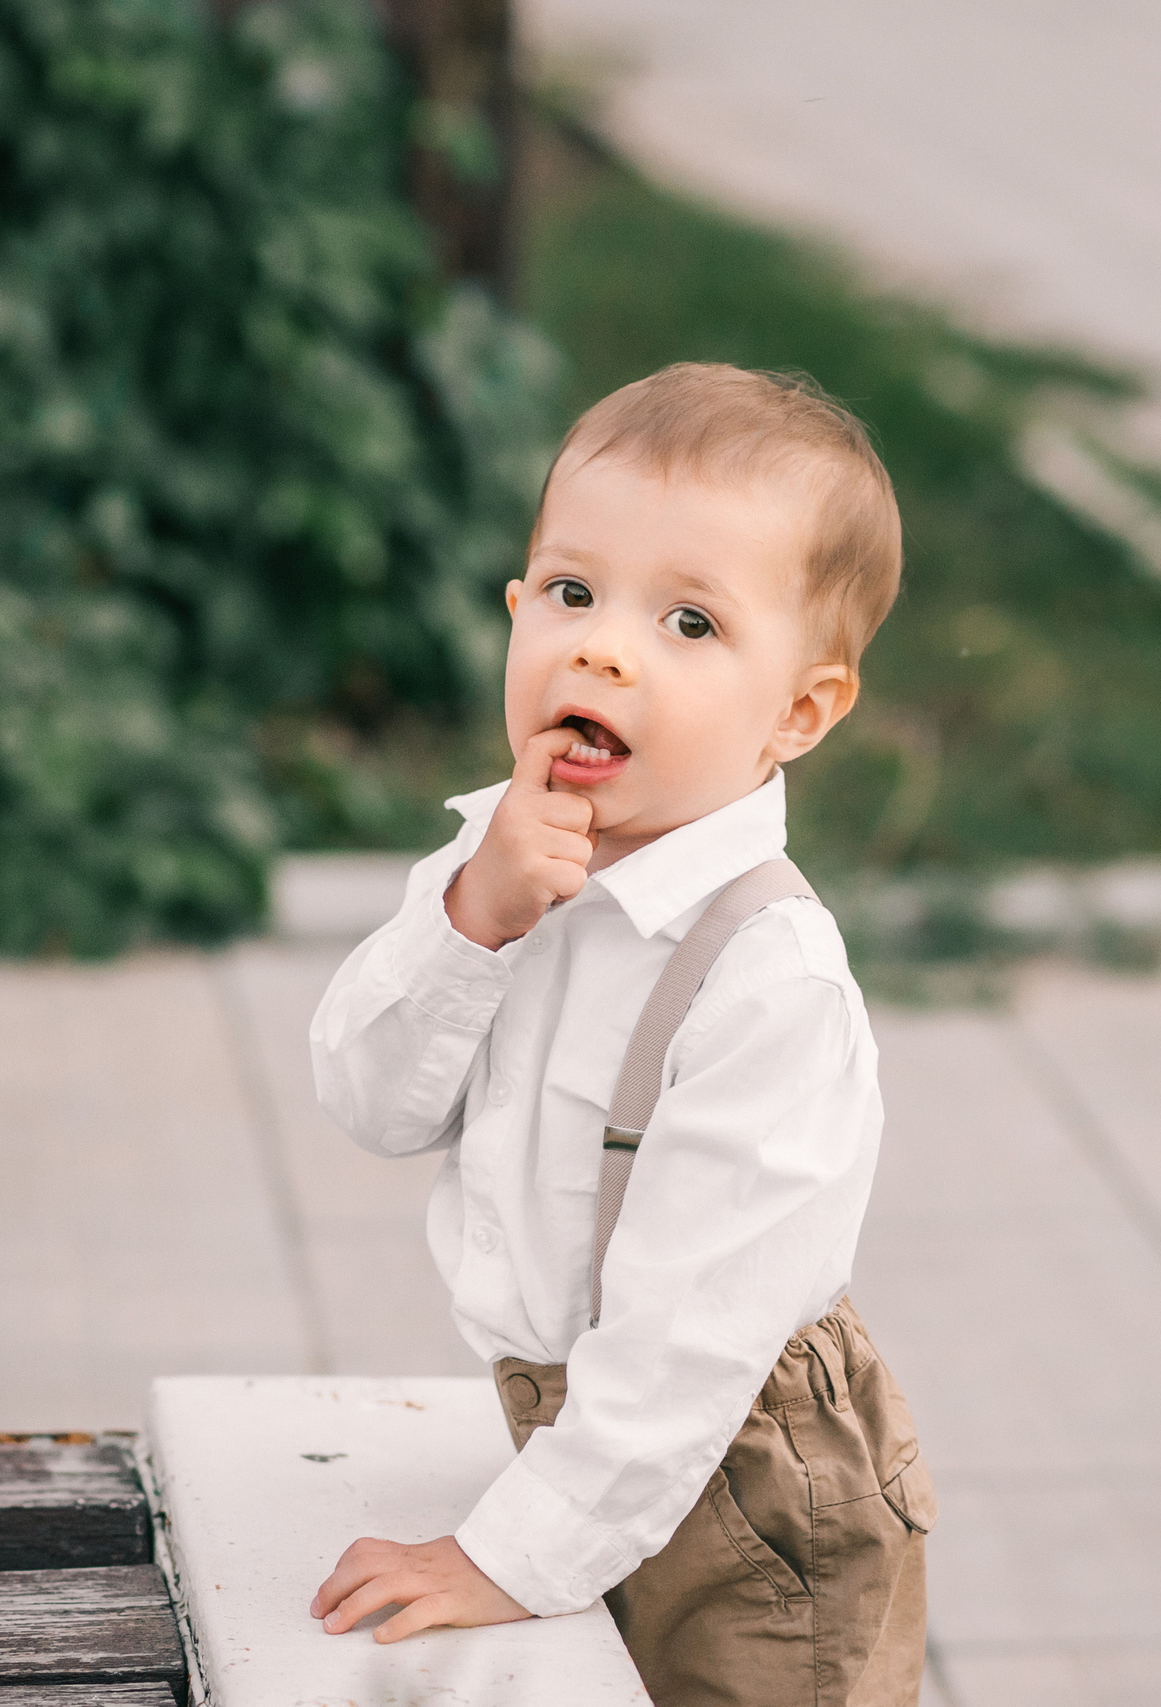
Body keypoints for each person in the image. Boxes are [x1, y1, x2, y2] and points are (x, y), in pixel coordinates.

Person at [305, 362, 934, 1706]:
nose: (603, 647)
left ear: (799, 712)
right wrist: (472, 921)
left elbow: (691, 1350)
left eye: (691, 622)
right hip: (580, 1437)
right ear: (519, 610)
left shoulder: (768, 979)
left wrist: (507, 1557)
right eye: (574, 595)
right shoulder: (497, 865)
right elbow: (369, 1099)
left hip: (754, 1493)